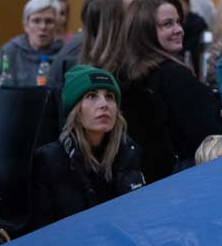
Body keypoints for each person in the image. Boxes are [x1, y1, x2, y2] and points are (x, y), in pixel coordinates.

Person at [116, 0, 222, 182]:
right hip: (185, 181)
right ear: (144, 30)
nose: (178, 29)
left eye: (178, 22)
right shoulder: (174, 76)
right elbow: (207, 137)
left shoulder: (124, 73)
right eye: (167, 24)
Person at [30, 66, 145, 228]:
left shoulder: (129, 153)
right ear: (75, 109)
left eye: (110, 97)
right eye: (92, 96)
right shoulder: (49, 160)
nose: (104, 104)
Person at [0, 0, 66, 88]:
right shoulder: (9, 51)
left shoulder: (64, 53)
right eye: (36, 21)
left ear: (57, 25)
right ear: (26, 25)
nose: (43, 27)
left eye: (49, 21)